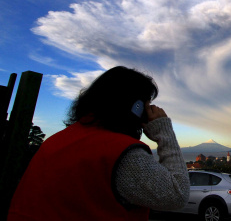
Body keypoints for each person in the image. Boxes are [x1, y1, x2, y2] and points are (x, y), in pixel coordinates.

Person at [7, 66, 190, 221]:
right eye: (146, 105)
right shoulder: (121, 153)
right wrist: (164, 132)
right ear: (135, 108)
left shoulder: (55, 142)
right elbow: (177, 195)